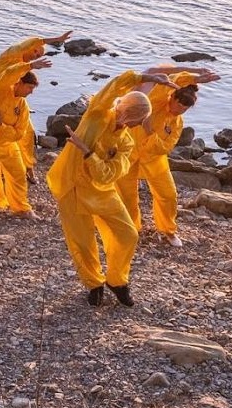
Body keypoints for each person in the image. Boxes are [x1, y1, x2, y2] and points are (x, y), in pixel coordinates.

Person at [47, 68, 180, 307]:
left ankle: (117, 281)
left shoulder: (127, 141)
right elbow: (113, 87)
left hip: (101, 190)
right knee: (83, 243)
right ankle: (94, 284)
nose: (141, 124)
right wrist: (146, 78)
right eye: (140, 119)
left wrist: (88, 153)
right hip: (72, 187)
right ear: (128, 114)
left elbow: (108, 175)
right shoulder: (97, 116)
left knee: (128, 234)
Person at [116, 67, 219, 247]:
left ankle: (168, 230)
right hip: (128, 152)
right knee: (127, 193)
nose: (179, 111)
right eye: (178, 106)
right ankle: (133, 228)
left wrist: (149, 132)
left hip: (154, 159)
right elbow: (172, 79)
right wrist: (195, 77)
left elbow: (165, 147)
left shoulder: (177, 123)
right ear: (171, 97)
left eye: (184, 110)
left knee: (168, 194)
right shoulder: (155, 102)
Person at [0, 32, 73, 183]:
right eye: (35, 51)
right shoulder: (10, 56)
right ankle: (0, 169)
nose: (35, 55)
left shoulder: (25, 68)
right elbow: (29, 45)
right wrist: (56, 39)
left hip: (15, 101)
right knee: (1, 133)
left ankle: (29, 168)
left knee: (28, 133)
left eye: (38, 55)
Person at [0, 56, 51, 217]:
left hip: (6, 142)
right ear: (19, 83)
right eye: (29, 87)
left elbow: (19, 133)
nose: (31, 91)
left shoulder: (22, 106)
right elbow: (8, 74)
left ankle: (21, 208)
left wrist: (2, 126)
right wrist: (29, 65)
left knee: (17, 173)